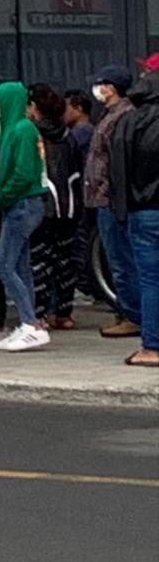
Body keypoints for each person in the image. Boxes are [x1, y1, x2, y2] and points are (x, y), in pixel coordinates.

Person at [0, 80, 50, 351]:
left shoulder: (21, 130)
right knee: (20, 265)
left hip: (21, 203)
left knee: (3, 265)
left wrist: (0, 197)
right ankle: (29, 322)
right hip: (24, 202)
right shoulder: (17, 129)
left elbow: (23, 173)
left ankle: (29, 323)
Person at [105, 66, 159, 366]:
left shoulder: (128, 122)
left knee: (150, 279)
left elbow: (118, 172)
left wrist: (120, 212)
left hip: (144, 210)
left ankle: (152, 346)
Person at [87, 65, 142, 339]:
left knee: (121, 259)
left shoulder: (123, 116)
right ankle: (128, 310)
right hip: (103, 198)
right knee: (116, 257)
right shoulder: (109, 116)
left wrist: (109, 191)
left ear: (112, 87)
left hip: (110, 200)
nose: (97, 90)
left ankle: (132, 314)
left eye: (101, 84)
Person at [29, 85, 84, 331]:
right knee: (65, 262)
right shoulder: (67, 135)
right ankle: (64, 312)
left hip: (43, 204)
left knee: (39, 260)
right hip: (69, 204)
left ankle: (39, 314)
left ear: (34, 108)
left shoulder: (33, 135)